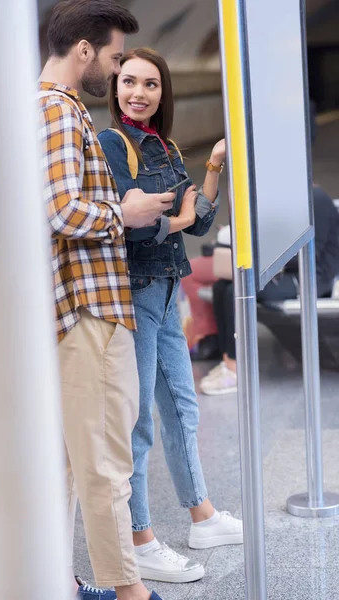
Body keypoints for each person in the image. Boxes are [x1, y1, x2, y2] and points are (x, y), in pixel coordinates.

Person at [39, 4, 175, 600]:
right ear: (87, 50)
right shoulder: (60, 111)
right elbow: (64, 209)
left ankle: (57, 580)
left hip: (80, 304)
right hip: (90, 308)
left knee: (75, 459)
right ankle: (130, 593)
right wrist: (130, 211)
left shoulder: (48, 106)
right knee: (105, 462)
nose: (119, 71)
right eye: (118, 57)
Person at [98, 47, 243, 586]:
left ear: (164, 92)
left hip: (165, 292)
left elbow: (196, 221)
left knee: (182, 409)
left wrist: (211, 169)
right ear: (115, 89)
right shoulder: (113, 144)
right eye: (129, 82)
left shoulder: (166, 144)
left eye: (151, 84)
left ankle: (201, 515)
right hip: (134, 295)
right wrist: (175, 216)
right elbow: (134, 225)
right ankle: (139, 540)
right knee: (136, 422)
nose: (139, 93)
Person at [200, 184, 339, 396]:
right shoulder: (289, 202)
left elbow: (311, 255)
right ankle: (228, 358)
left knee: (236, 290)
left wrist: (265, 255)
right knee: (221, 286)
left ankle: (236, 368)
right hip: (283, 272)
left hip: (311, 279)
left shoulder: (316, 199)